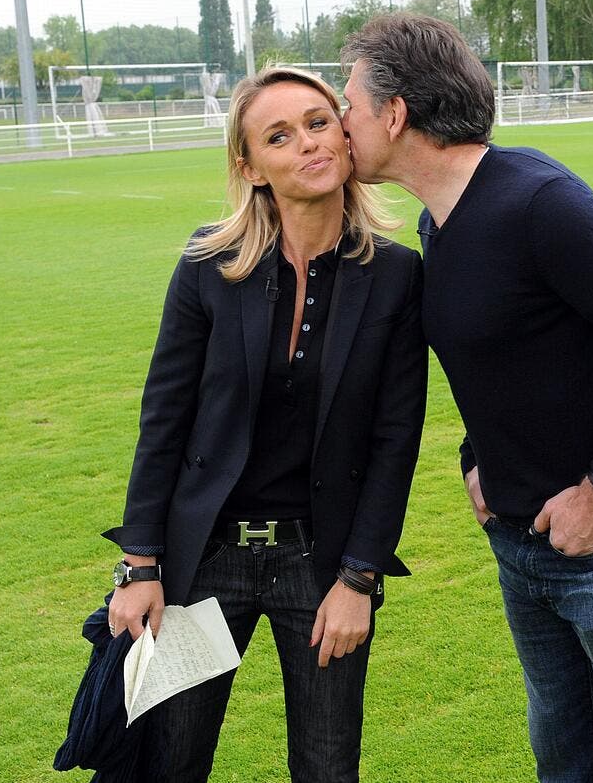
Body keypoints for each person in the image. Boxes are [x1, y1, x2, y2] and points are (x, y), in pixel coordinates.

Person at [341, 15, 593, 783]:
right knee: (565, 761)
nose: (339, 121)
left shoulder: (537, 200)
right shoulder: (437, 222)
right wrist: (476, 459)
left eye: (347, 102)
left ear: (395, 113)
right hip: (521, 546)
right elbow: (501, 356)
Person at [101, 65, 427, 782]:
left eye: (318, 121)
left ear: (345, 135)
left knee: (326, 767)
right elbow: (165, 419)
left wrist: (359, 578)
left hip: (322, 565)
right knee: (170, 762)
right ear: (250, 166)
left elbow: (395, 439)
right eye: (279, 135)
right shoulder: (207, 264)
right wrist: (140, 563)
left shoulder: (398, 275)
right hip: (204, 558)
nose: (308, 143)